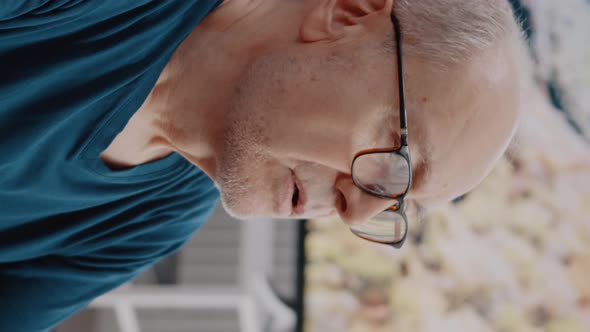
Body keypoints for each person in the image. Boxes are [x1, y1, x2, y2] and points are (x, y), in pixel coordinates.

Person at [0, 0, 525, 330]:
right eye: (397, 164)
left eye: (396, 205)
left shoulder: (157, 219)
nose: (355, 214)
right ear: (347, 13)